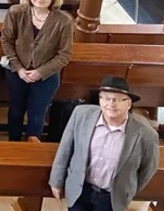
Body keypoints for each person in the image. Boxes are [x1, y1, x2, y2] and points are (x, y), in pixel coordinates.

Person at [49, 76, 159, 211]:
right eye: (106, 98)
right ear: (100, 100)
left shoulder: (146, 134)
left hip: (111, 198)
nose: (111, 104)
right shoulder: (81, 115)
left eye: (118, 99)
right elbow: (65, 149)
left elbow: (147, 169)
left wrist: (127, 190)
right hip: (80, 189)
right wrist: (56, 181)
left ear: (129, 103)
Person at [0, 0, 73, 141]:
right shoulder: (16, 12)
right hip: (17, 72)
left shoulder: (64, 21)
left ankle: (31, 149)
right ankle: (13, 145)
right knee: (15, 112)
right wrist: (18, 68)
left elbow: (64, 54)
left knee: (36, 115)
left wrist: (40, 72)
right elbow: (6, 40)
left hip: (46, 77)